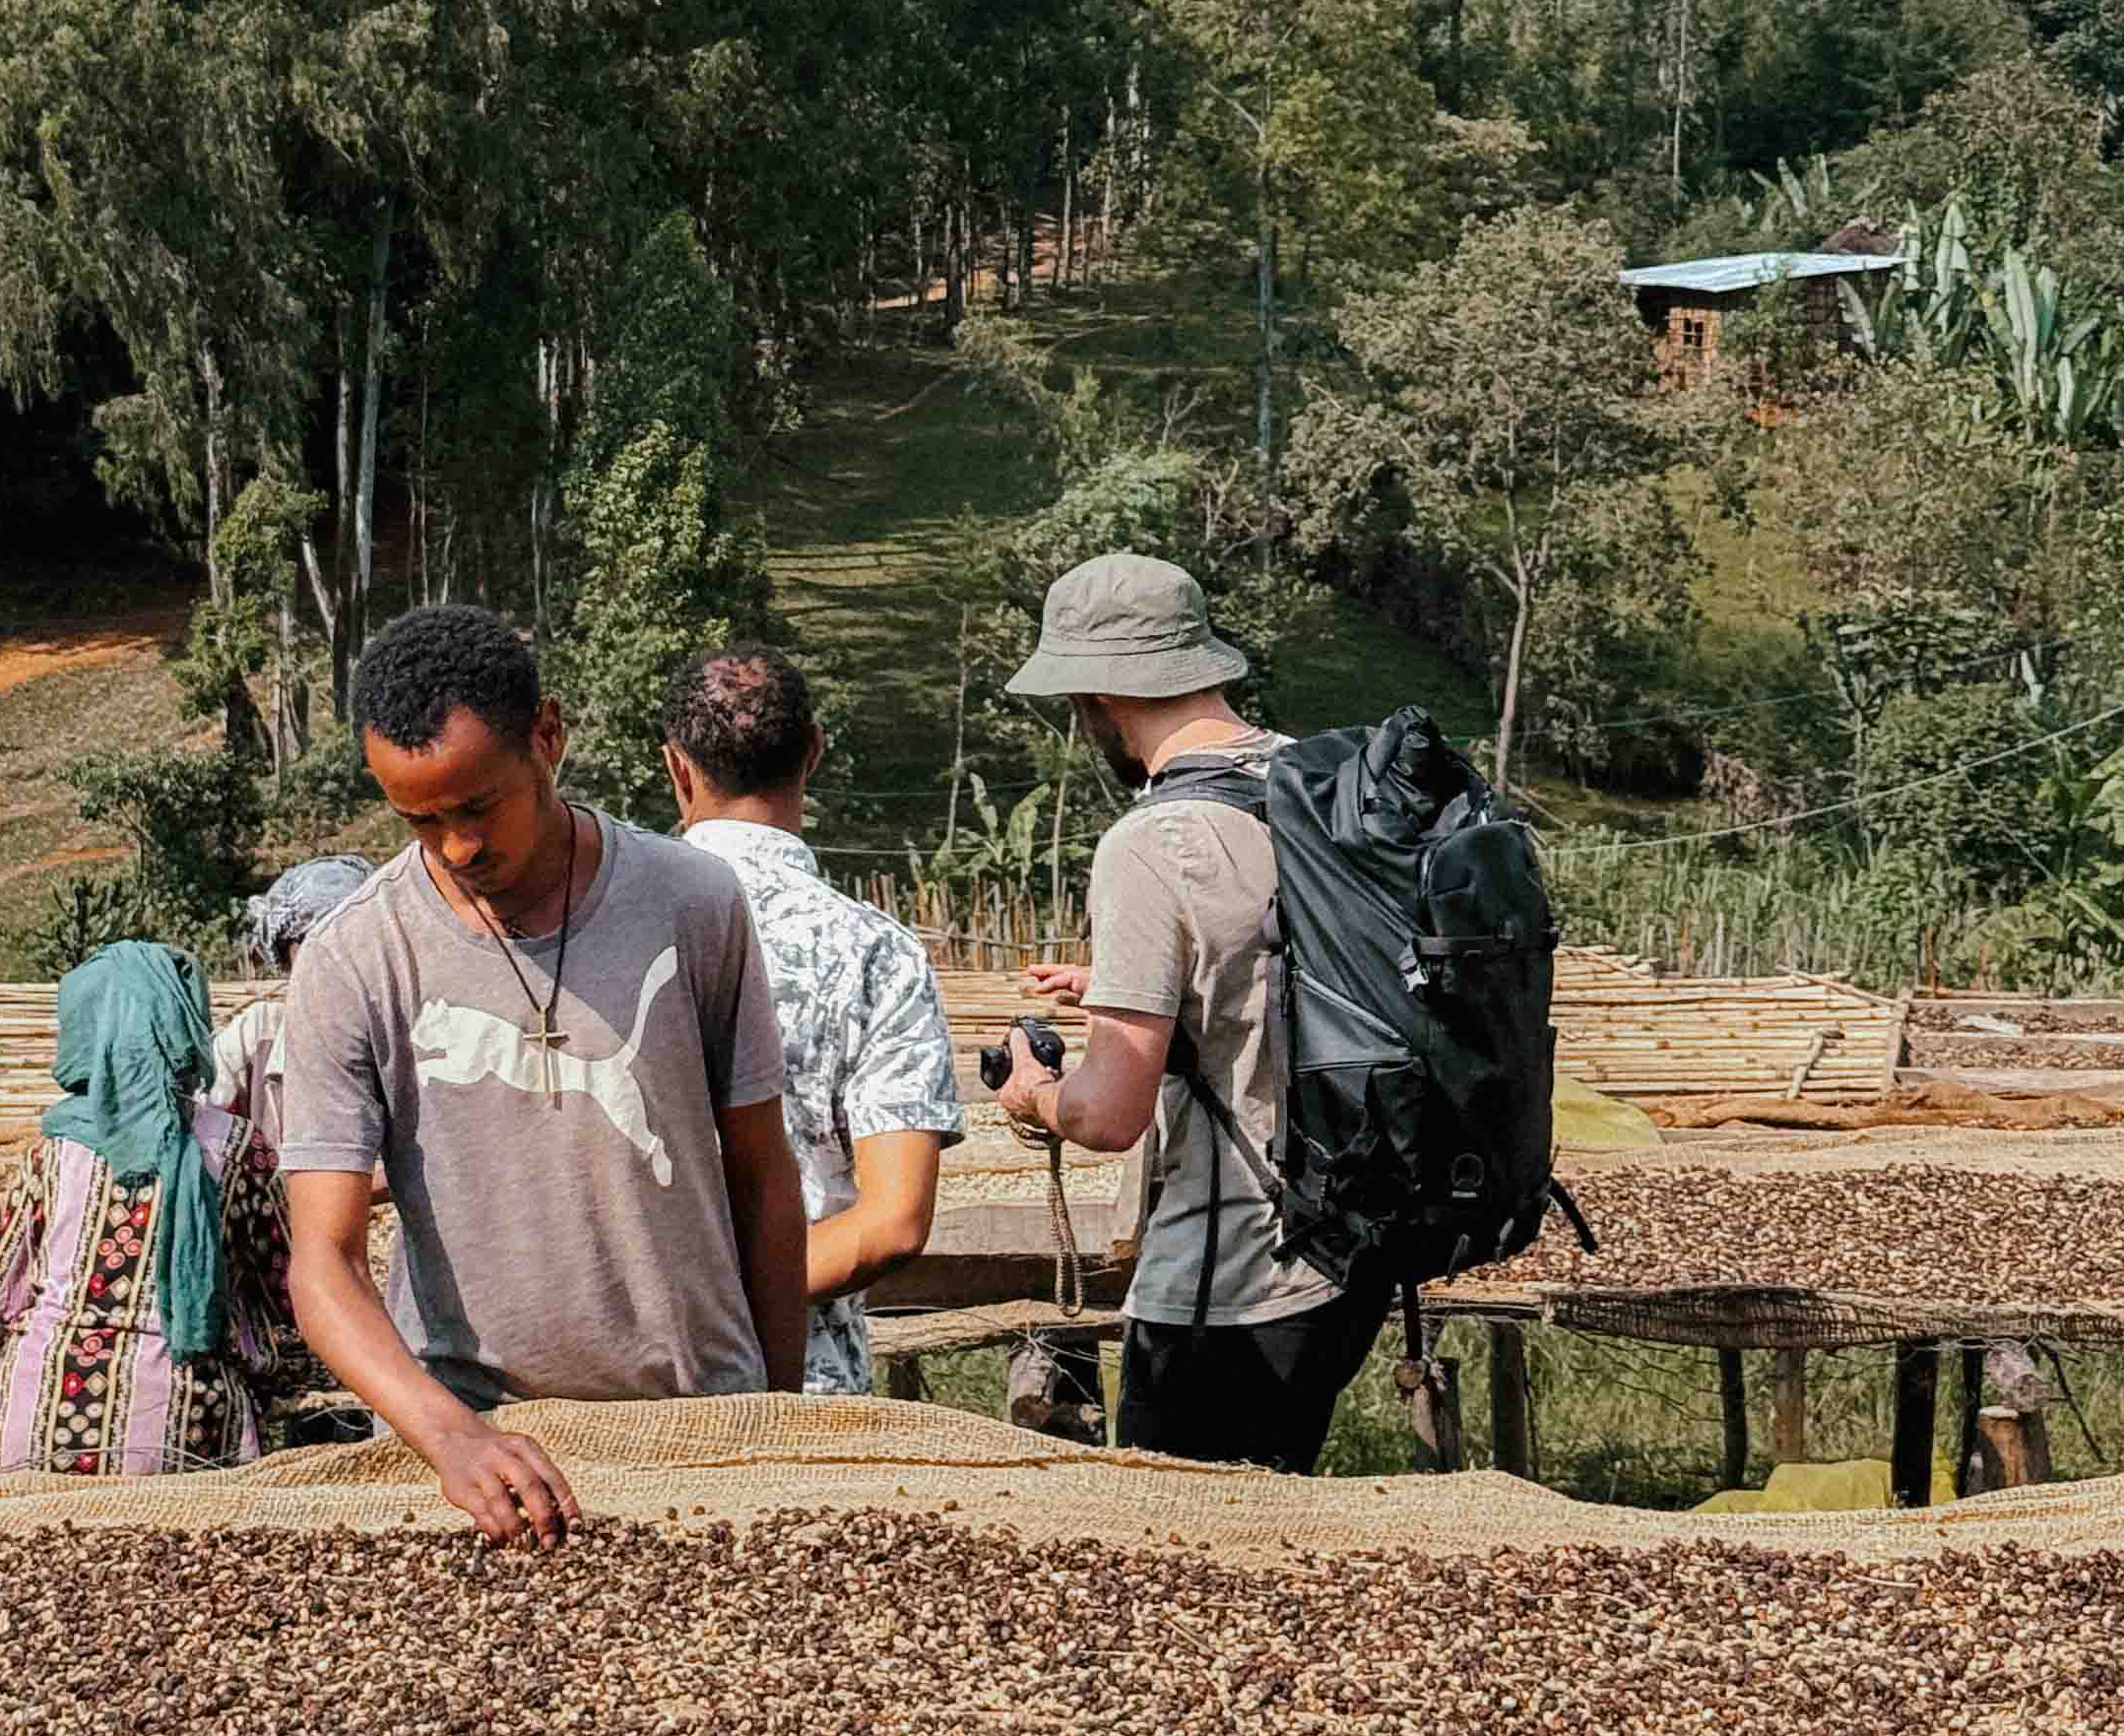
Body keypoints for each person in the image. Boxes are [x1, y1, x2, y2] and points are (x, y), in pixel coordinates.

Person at [277, 601, 809, 1549]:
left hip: (704, 1421)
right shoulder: (354, 958)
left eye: (479, 807)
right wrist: (451, 1438)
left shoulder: (693, 903)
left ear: (549, 738)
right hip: (482, 1445)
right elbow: (325, 1261)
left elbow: (763, 1176)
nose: (457, 848)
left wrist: (776, 1407)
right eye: (419, 820)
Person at [990, 551, 1394, 1470]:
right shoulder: (1320, 786)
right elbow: (1285, 970)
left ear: (1094, 695)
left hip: (1231, 1277)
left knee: (1186, 1561)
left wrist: (1033, 1095)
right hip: (1352, 1252)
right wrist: (1124, 990)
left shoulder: (1154, 840)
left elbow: (1109, 1114)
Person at [660, 642, 962, 1394]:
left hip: (620, 1383)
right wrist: (738, 1302)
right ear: (815, 753)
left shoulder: (603, 929)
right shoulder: (876, 953)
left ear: (677, 768)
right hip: (806, 1394)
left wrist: (671, 1305)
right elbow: (893, 1222)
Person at [0, 938, 298, 1475]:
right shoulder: (236, 1148)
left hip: (30, 1419)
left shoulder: (51, 1150)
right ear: (182, 1024)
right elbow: (292, 1286)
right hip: (180, 1420)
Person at [210, 854, 367, 1124]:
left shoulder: (415, 1042)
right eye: (317, 948)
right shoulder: (256, 1037)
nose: (337, 964)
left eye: (355, 944)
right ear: (286, 958)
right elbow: (197, 1118)